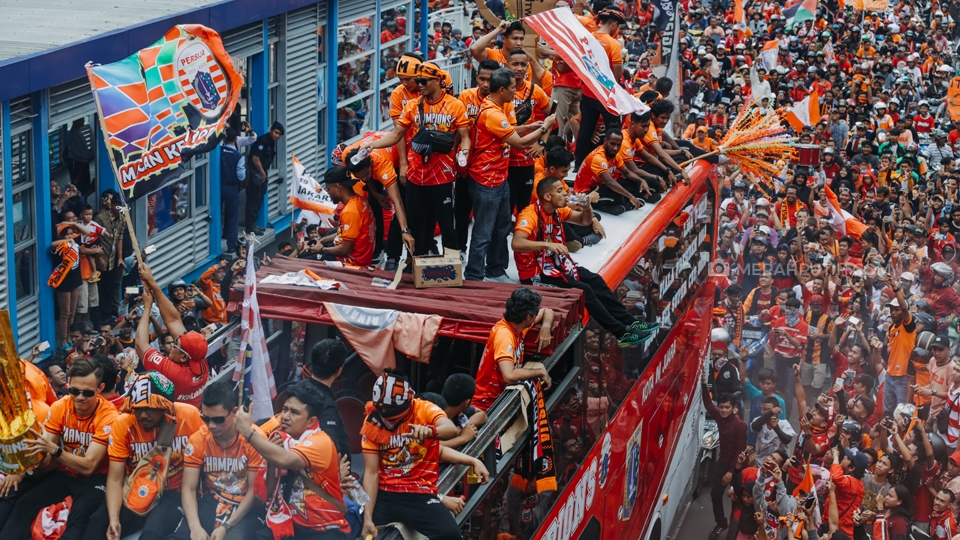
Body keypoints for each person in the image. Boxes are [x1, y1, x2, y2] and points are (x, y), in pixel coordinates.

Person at [514, 176, 656, 346]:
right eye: (560, 191)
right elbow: (517, 243)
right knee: (584, 289)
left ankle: (631, 322)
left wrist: (586, 206)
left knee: (594, 279)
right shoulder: (529, 215)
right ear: (547, 196)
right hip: (536, 273)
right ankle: (621, 333)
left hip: (556, 264)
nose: (565, 194)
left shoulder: (558, 210)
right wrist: (547, 245)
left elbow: (584, 220)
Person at [359, 371, 490, 539]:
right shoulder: (372, 419)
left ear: (408, 403)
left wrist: (430, 431)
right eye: (382, 410)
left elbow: (449, 429)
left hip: (418, 494)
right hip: (385, 494)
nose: (386, 417)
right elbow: (371, 472)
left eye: (391, 413)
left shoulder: (424, 409)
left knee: (451, 535)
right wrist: (367, 518)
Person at [0, 357, 118, 539]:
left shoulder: (109, 416)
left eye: (87, 393)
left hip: (95, 479)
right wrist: (22, 471)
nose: (80, 397)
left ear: (100, 388)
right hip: (65, 473)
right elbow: (44, 453)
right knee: (25, 503)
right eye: (74, 391)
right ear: (69, 384)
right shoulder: (60, 406)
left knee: (79, 516)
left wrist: (54, 450)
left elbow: (89, 466)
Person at [363, 62, 469, 257]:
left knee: (447, 224)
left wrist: (465, 152)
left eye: (423, 81)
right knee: (415, 225)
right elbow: (396, 135)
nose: (419, 85)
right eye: (417, 80)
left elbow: (465, 136)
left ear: (437, 80)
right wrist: (372, 145)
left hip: (442, 177)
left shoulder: (455, 105)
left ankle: (452, 263)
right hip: (415, 176)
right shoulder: (412, 106)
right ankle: (415, 263)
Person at [82, 372, 204, 540]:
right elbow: (115, 479)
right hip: (135, 488)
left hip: (173, 492)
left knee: (152, 533)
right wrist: (114, 519)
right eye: (138, 409)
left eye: (150, 409)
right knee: (98, 523)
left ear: (165, 405)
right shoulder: (123, 423)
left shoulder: (189, 416)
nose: (143, 415)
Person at [465, 67, 556, 282]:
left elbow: (510, 131)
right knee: (483, 232)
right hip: (486, 180)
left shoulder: (499, 106)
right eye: (513, 88)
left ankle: (496, 269)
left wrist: (531, 126)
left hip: (500, 178)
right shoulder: (493, 113)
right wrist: (545, 128)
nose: (516, 91)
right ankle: (474, 276)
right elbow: (519, 143)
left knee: (502, 227)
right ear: (502, 90)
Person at [236, 382, 350, 539]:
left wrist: (247, 431)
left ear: (311, 421)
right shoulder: (279, 438)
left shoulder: (321, 442)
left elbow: (285, 459)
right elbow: (265, 496)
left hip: (322, 529)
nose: (285, 416)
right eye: (285, 409)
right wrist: (271, 461)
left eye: (294, 412)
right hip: (288, 523)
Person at [169, 381, 265, 540]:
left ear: (234, 413)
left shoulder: (254, 439)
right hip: (212, 500)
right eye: (205, 418)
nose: (211, 425)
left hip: (246, 506)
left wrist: (226, 527)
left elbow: (254, 492)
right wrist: (195, 527)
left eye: (218, 420)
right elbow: (189, 489)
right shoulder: (198, 440)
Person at [136, 264, 210, 407]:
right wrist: (152, 283)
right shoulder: (200, 362)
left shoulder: (174, 373)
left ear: (183, 357)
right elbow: (174, 320)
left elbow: (140, 345)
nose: (173, 344)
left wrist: (147, 307)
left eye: (176, 344)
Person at [473, 287, 555, 412]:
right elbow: (509, 375)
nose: (537, 314)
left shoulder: (519, 325)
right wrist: (540, 372)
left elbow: (547, 311)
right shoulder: (504, 335)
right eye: (536, 312)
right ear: (529, 317)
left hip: (502, 398)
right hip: (486, 405)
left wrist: (546, 326)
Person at [573, 7, 626, 168]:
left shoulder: (587, 39)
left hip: (589, 91)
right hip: (606, 94)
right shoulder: (614, 44)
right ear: (614, 24)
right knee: (613, 130)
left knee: (585, 129)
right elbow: (617, 73)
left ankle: (579, 165)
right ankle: (613, 163)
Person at [699, 384, 746, 540]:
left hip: (736, 467)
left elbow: (740, 450)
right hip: (722, 463)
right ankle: (721, 523)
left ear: (733, 408)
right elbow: (708, 404)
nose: (724, 410)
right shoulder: (719, 417)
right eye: (721, 407)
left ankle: (734, 529)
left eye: (727, 407)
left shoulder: (739, 425)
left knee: (735, 500)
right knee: (715, 494)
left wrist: (731, 472)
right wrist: (703, 384)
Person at [308, 167, 376, 267]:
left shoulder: (350, 211)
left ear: (338, 187)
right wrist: (321, 241)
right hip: (358, 257)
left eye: (329, 189)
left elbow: (345, 249)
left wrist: (321, 250)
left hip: (349, 262)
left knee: (303, 262)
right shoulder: (360, 201)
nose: (327, 192)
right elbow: (344, 234)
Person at [246, 122, 284, 235]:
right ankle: (250, 226)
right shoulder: (263, 141)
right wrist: (263, 174)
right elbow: (255, 159)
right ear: (271, 130)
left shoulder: (271, 142)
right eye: (276, 132)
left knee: (259, 198)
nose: (277, 136)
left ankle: (253, 224)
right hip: (255, 174)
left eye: (280, 134)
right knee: (254, 199)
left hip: (261, 173)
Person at [220, 128, 247, 253]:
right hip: (231, 188)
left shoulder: (218, 151)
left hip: (217, 187)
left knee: (216, 215)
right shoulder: (238, 156)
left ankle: (213, 244)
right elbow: (241, 176)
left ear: (224, 139)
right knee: (232, 217)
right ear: (236, 139)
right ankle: (231, 246)